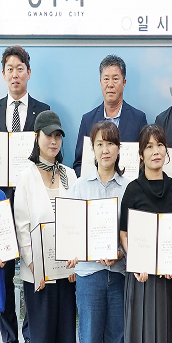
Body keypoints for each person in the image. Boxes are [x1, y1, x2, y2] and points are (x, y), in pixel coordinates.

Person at [119, 124, 172, 343]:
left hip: (171, 277)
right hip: (142, 276)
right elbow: (124, 233)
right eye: (149, 147)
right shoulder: (133, 189)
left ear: (166, 150)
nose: (155, 151)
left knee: (169, 331)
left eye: (159, 145)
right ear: (141, 154)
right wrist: (137, 262)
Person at [14, 110, 77, 343]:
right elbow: (22, 227)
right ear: (36, 136)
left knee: (66, 334)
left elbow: (76, 223)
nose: (53, 141)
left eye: (58, 136)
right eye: (48, 135)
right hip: (38, 276)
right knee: (42, 335)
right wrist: (35, 267)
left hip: (67, 273)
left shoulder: (70, 175)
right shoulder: (26, 177)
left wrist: (76, 261)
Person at [66, 121, 129, 343]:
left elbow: (133, 232)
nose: (105, 150)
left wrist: (120, 252)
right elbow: (70, 229)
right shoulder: (79, 186)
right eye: (100, 144)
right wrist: (71, 251)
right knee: (89, 337)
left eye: (110, 143)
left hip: (119, 274)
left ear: (119, 148)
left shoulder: (129, 188)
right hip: (89, 275)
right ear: (92, 148)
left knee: (117, 337)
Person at [1, 45, 47, 343]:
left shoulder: (42, 111)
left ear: (29, 73)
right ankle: (9, 336)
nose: (15, 74)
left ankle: (32, 333)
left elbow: (52, 155)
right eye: (10, 69)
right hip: (1, 203)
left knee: (33, 268)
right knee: (3, 275)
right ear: (3, 74)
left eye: (20, 68)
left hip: (32, 201)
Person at [73, 54, 147, 176]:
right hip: (95, 187)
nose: (110, 84)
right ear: (100, 82)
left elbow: (145, 162)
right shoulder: (88, 120)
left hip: (129, 187)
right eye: (106, 79)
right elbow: (78, 164)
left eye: (115, 79)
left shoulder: (138, 119)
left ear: (124, 82)